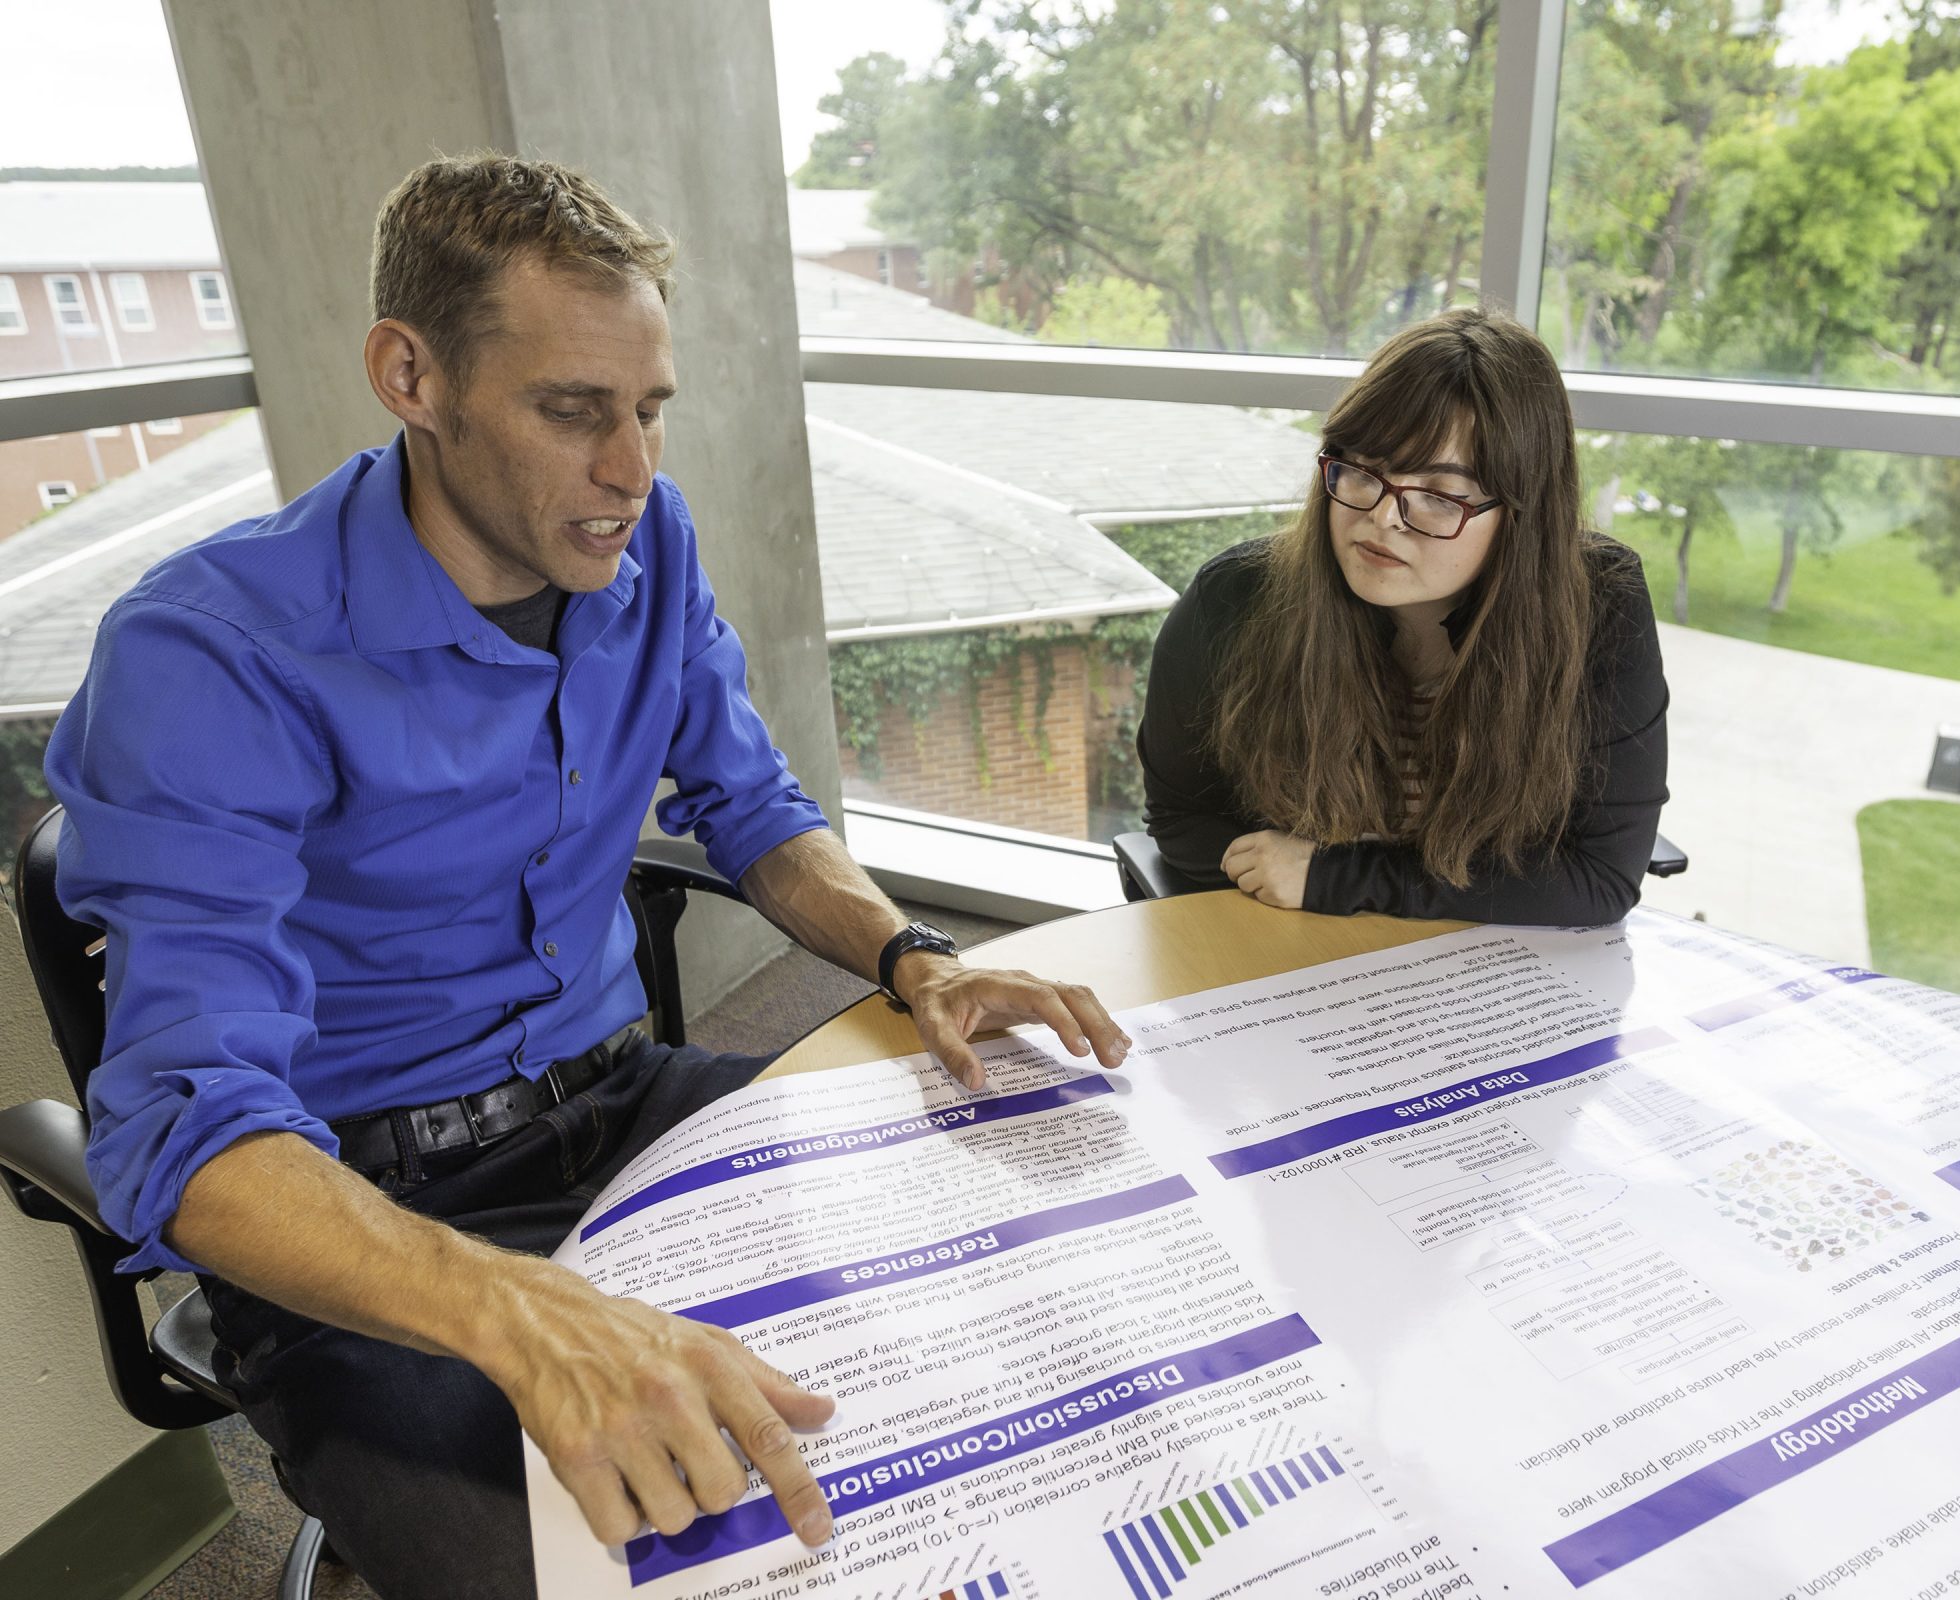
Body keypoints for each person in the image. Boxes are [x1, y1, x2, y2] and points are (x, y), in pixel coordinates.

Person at [44, 156, 1130, 1600]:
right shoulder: (209, 656)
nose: (632, 468)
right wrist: (526, 1312)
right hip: (373, 1200)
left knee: (1009, 1292)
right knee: (610, 1573)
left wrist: (915, 957)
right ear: (409, 373)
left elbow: (752, 805)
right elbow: (182, 1134)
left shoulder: (645, 546)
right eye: (572, 412)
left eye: (649, 410)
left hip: (630, 1105)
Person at [1138, 308, 1669, 925]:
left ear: (1524, 515)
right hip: (1290, 946)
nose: (1381, 517)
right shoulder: (1233, 599)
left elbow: (1601, 878)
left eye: (1439, 496)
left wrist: (1341, 879)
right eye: (1363, 469)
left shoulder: (1601, 604)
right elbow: (1179, 818)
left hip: (1492, 972)